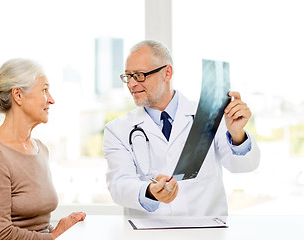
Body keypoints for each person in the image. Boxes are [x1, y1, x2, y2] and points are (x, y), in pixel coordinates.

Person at [103, 40, 260, 216]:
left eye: (139, 75)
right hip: (150, 233)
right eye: (128, 76)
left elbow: (244, 166)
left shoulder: (210, 115)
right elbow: (119, 185)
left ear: (167, 73)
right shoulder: (117, 130)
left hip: (206, 231)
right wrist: (150, 191)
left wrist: (237, 133)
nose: (131, 84)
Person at [0, 58, 86, 239]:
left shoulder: (40, 149)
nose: (52, 100)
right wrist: (54, 236)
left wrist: (59, 228)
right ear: (18, 95)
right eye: (44, 90)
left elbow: (35, 228)